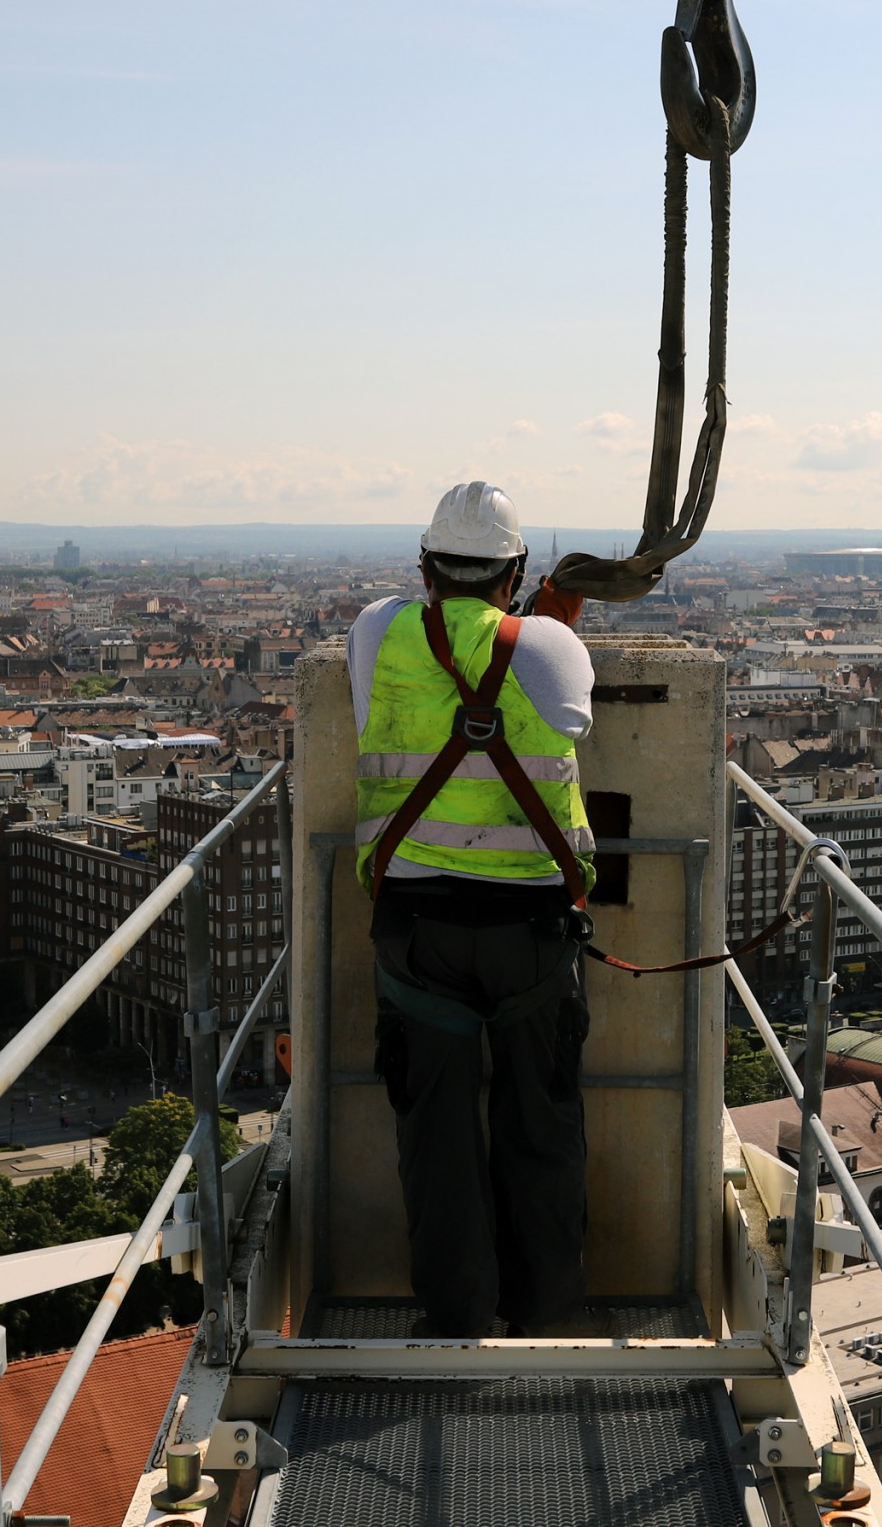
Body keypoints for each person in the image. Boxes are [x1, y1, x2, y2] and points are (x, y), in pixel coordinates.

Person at [349, 481, 596, 1337]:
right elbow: (557, 699)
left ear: (424, 566)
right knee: (542, 1124)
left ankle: (458, 1318)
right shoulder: (554, 649)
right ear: (515, 570)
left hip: (418, 928)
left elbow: (433, 641)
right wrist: (545, 615)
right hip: (530, 928)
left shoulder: (377, 635)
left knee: (437, 1138)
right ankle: (548, 1316)